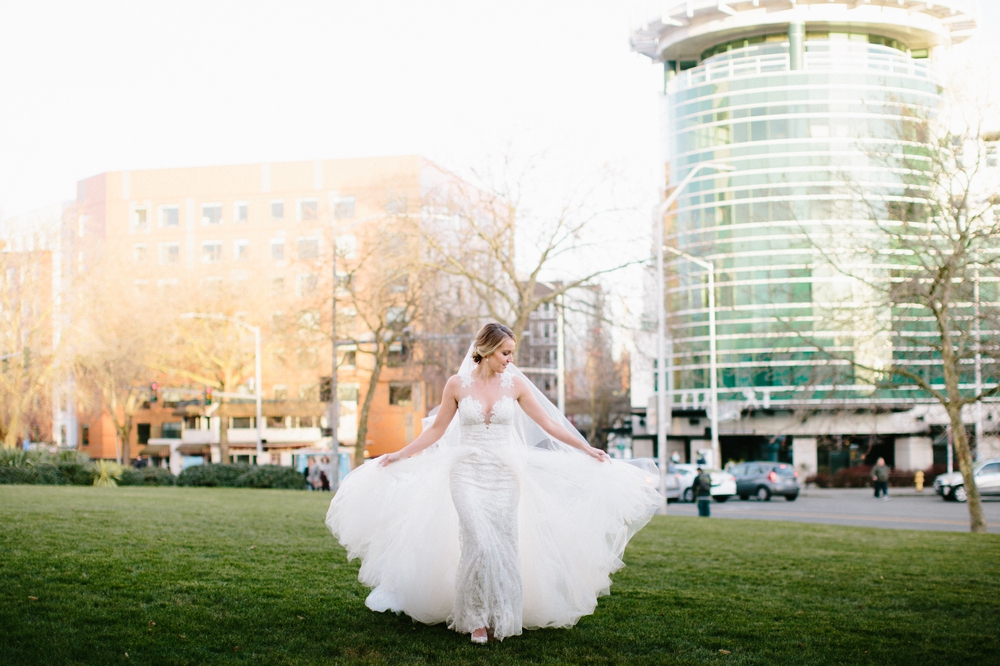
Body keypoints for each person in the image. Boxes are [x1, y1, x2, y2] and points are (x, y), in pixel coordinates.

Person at [326, 323, 660, 643]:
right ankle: (475, 619)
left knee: (502, 543)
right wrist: (400, 453)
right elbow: (437, 429)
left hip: (505, 475)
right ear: (486, 351)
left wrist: (586, 448)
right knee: (479, 543)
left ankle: (503, 612)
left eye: (512, 353)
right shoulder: (456, 385)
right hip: (466, 472)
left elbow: (548, 424)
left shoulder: (515, 386)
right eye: (505, 353)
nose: (510, 360)